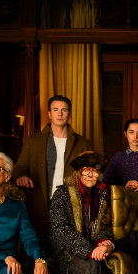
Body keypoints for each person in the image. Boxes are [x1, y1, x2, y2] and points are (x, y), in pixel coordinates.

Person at [13, 95, 93, 240]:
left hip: (70, 205)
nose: (60, 114)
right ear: (49, 114)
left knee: (66, 246)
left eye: (64, 110)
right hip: (39, 203)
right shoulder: (33, 141)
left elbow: (92, 174)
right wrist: (21, 176)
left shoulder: (83, 144)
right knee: (39, 244)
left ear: (69, 114)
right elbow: (20, 167)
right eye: (55, 110)